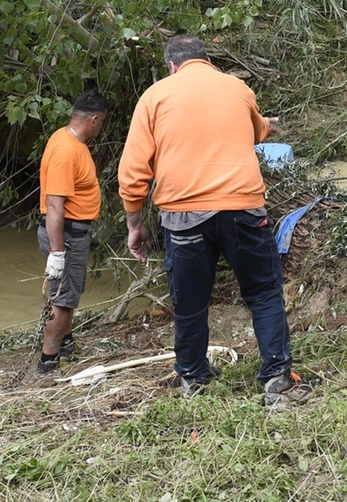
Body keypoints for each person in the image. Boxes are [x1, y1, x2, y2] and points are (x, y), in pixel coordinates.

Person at [118, 34, 312, 408]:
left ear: (172, 66)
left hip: (184, 216)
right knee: (263, 293)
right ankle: (277, 379)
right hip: (243, 209)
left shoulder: (155, 97)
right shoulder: (238, 88)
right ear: (208, 61)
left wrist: (134, 224)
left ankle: (194, 378)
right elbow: (256, 131)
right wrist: (267, 126)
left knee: (190, 304)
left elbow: (133, 172)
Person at [37, 89, 109, 375]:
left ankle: (66, 344)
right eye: (101, 123)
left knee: (67, 293)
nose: (100, 128)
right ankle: (48, 362)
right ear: (93, 120)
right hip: (65, 235)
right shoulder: (66, 150)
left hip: (74, 233)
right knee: (63, 300)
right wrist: (57, 253)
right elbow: (55, 204)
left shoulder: (70, 141)